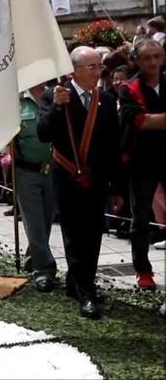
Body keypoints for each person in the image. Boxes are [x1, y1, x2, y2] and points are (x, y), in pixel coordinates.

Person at [38, 46, 123, 319]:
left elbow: (113, 146)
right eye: (92, 67)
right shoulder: (56, 95)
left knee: (94, 234)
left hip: (96, 179)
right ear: (74, 70)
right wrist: (56, 108)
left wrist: (118, 187)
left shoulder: (107, 99)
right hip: (67, 178)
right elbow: (43, 133)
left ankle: (77, 284)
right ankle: (86, 293)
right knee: (74, 236)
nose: (98, 72)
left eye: (100, 67)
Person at [118, 38, 165, 291]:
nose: (153, 62)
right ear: (136, 60)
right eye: (147, 57)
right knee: (141, 218)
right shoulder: (129, 87)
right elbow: (138, 121)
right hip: (142, 160)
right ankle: (143, 270)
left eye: (157, 56)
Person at [14, 84, 58, 292]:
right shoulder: (17, 101)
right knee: (35, 223)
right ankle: (44, 269)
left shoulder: (56, 95)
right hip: (26, 171)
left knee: (47, 220)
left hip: (54, 170)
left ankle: (33, 258)